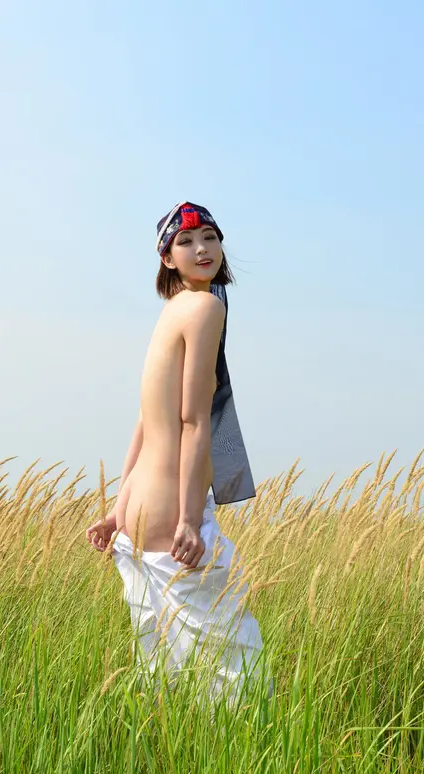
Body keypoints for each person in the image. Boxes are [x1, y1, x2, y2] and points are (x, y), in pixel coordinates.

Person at [86, 201, 271, 705]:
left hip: (137, 515)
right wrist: (190, 519)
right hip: (171, 513)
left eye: (210, 237)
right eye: (185, 242)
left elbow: (145, 422)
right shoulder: (206, 308)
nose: (202, 248)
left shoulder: (171, 311)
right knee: (238, 676)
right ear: (167, 258)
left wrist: (117, 510)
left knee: (164, 673)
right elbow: (192, 420)